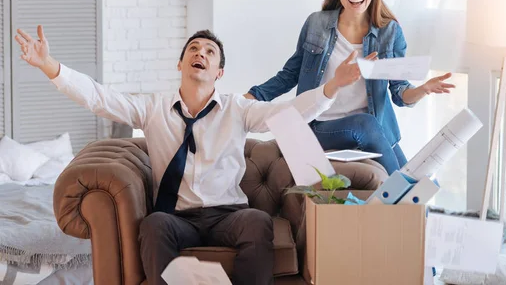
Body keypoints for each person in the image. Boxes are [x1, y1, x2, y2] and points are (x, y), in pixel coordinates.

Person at [14, 25, 360, 285]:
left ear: (219, 72)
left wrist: (331, 87)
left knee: (258, 222)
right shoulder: (153, 108)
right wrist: (50, 66)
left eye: (210, 52)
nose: (201, 53)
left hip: (229, 215)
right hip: (177, 217)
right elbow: (100, 98)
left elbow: (288, 113)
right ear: (181, 63)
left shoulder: (238, 109)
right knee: (153, 225)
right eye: (194, 49)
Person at [245, 0, 455, 175]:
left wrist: (422, 90)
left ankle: (405, 201)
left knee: (415, 181)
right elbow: (289, 75)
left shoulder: (389, 32)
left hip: (372, 130)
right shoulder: (317, 24)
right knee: (368, 129)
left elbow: (400, 92)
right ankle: (401, 195)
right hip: (318, 126)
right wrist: (247, 100)